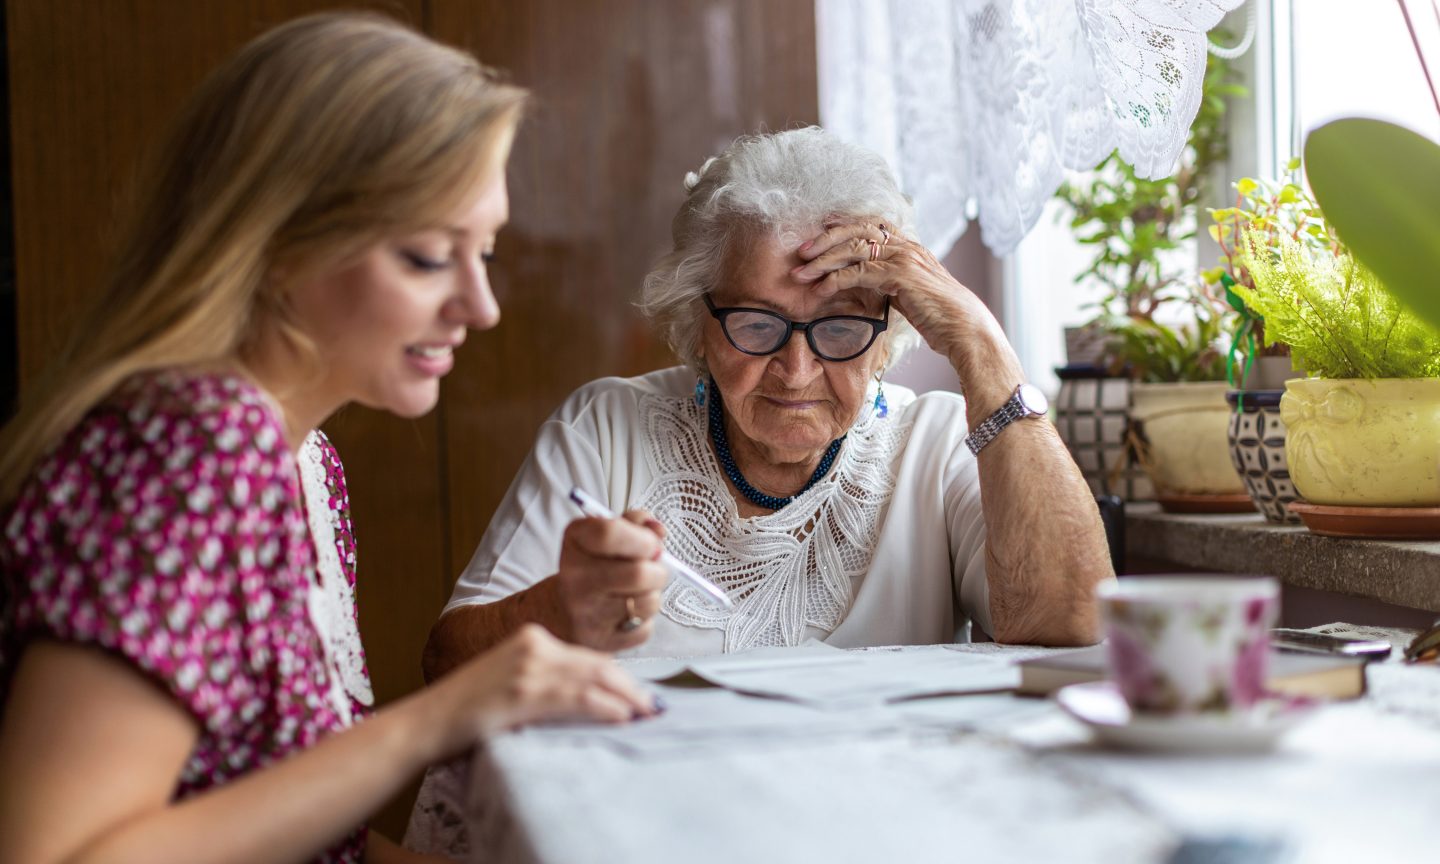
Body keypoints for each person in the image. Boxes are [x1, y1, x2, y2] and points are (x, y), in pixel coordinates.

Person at [0, 14, 662, 864]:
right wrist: (441, 718)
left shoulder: (305, 461)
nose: (482, 306)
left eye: (486, 253)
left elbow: (297, 839)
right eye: (428, 256)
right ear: (277, 244)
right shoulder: (195, 449)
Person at [405, 126, 1113, 855]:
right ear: (699, 323)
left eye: (840, 328)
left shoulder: (932, 445)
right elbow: (449, 665)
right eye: (755, 324)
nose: (797, 370)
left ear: (886, 328)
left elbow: (1079, 629)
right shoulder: (609, 426)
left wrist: (981, 346)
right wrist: (563, 608)